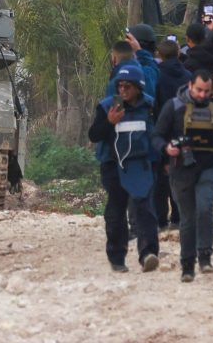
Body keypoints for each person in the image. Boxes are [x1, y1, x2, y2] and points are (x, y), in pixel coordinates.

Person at [152, 70, 213, 282]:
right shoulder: (174, 107)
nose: (202, 95)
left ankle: (205, 258)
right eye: (199, 90)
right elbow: (156, 136)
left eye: (206, 91)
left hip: (210, 166)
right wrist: (166, 149)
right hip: (181, 168)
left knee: (205, 208)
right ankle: (187, 265)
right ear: (190, 86)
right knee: (188, 217)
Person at [88, 64, 160, 273]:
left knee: (144, 208)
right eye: (120, 86)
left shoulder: (151, 106)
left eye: (128, 86)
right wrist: (109, 122)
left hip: (141, 164)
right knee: (116, 211)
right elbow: (94, 135)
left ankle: (148, 254)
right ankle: (117, 258)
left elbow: (157, 135)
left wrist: (161, 163)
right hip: (113, 164)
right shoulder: (107, 107)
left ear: (138, 87)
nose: (123, 90)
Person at [154, 38, 191, 229]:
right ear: (178, 53)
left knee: (161, 176)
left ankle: (161, 219)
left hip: (162, 129)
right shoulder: (189, 76)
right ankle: (178, 216)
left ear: (159, 55)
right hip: (184, 128)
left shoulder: (156, 76)